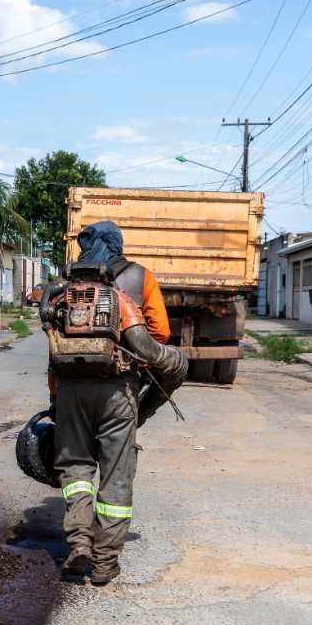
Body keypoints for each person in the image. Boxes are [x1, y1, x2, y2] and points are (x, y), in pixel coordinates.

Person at [53, 221, 186, 585]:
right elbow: (160, 334)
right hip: (118, 391)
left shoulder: (65, 287)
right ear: (118, 244)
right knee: (115, 475)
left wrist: (56, 398)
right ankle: (105, 562)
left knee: (76, 470)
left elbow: (53, 343)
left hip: (70, 390)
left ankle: (79, 542)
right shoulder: (140, 277)